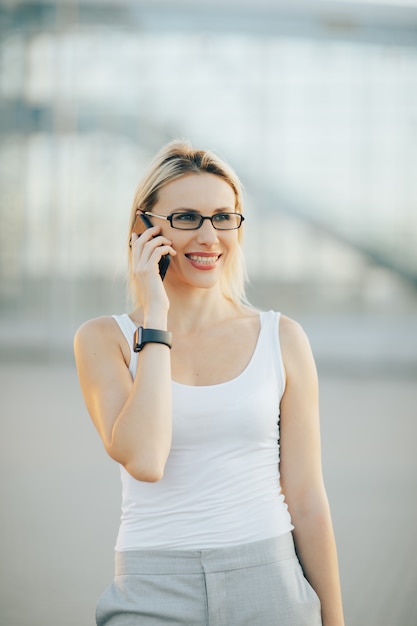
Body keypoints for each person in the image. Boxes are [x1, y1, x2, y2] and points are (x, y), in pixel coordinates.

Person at [74, 140, 345, 626]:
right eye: (185, 218)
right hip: (151, 588)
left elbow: (306, 495)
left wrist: (335, 618)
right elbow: (145, 458)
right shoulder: (103, 339)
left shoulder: (281, 337)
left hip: (271, 581)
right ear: (144, 228)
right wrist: (156, 317)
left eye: (223, 216)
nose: (208, 235)